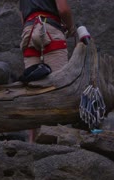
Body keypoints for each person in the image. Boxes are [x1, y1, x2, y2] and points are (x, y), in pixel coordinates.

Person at [19, 0, 75, 142]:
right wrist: (70, 27)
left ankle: (32, 140)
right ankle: (58, 137)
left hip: (29, 30)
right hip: (50, 28)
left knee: (31, 89)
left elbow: (22, 16)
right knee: (60, 85)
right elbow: (63, 10)